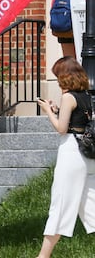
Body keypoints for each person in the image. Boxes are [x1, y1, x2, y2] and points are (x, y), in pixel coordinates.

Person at [35, 56, 95, 258]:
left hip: (71, 153)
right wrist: (57, 111)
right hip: (87, 155)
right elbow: (76, 119)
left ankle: (42, 257)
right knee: (90, 206)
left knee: (60, 205)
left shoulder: (68, 96)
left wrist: (47, 112)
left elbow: (62, 128)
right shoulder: (86, 95)